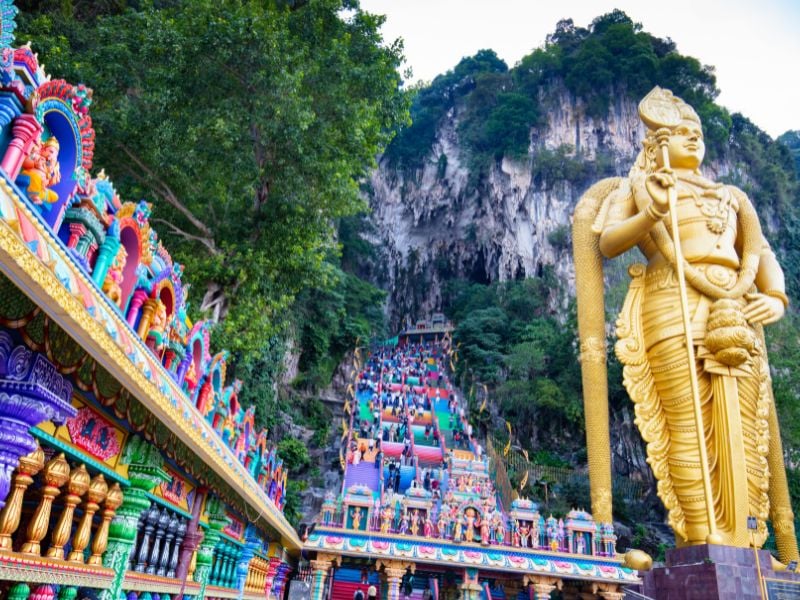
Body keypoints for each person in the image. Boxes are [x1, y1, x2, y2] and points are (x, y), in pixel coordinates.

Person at [576, 86, 796, 556]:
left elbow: (762, 255)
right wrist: (651, 210)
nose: (692, 140)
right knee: (687, 426)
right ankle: (700, 535)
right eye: (679, 134)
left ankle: (747, 538)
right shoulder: (639, 188)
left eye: (696, 133)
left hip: (735, 308)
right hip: (670, 304)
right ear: (656, 146)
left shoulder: (732, 197)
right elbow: (609, 241)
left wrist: (776, 296)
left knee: (743, 427)